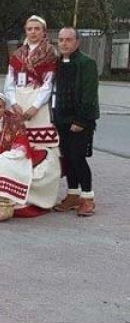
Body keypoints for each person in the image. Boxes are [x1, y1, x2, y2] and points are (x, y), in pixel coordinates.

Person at [0, 93, 59, 217]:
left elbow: (20, 151)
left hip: (15, 159)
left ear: (4, 107)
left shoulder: (15, 123)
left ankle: (13, 200)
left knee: (0, 169)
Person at [52, 27, 100, 216]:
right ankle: (72, 194)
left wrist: (81, 120)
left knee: (78, 158)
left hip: (81, 120)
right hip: (61, 119)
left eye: (68, 40)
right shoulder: (58, 63)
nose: (64, 43)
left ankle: (88, 197)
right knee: (67, 158)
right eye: (61, 40)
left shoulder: (86, 63)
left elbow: (89, 94)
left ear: (77, 42)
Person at [5, 15, 59, 148]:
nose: (33, 32)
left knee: (39, 145)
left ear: (44, 32)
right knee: (16, 144)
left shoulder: (50, 53)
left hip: (39, 102)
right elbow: (10, 80)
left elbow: (49, 83)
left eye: (37, 29)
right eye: (29, 29)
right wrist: (13, 103)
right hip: (18, 102)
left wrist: (35, 106)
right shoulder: (17, 54)